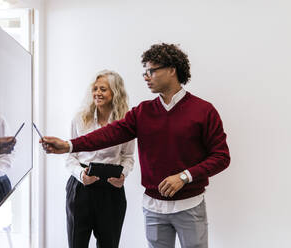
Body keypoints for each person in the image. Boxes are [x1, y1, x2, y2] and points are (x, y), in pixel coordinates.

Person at [41, 43, 230, 248]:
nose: (146, 76)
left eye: (151, 70)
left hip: (190, 206)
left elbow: (221, 157)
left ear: (172, 70)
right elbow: (108, 134)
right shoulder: (143, 112)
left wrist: (184, 177)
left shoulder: (203, 110)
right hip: (153, 208)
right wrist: (69, 145)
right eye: (145, 71)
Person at [65, 70, 135, 248]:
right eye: (95, 88)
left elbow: (128, 157)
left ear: (115, 92)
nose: (97, 93)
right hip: (81, 186)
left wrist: (123, 176)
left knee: (109, 244)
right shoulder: (80, 119)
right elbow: (70, 157)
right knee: (76, 244)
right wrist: (81, 175)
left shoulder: (125, 123)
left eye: (103, 89)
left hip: (111, 189)